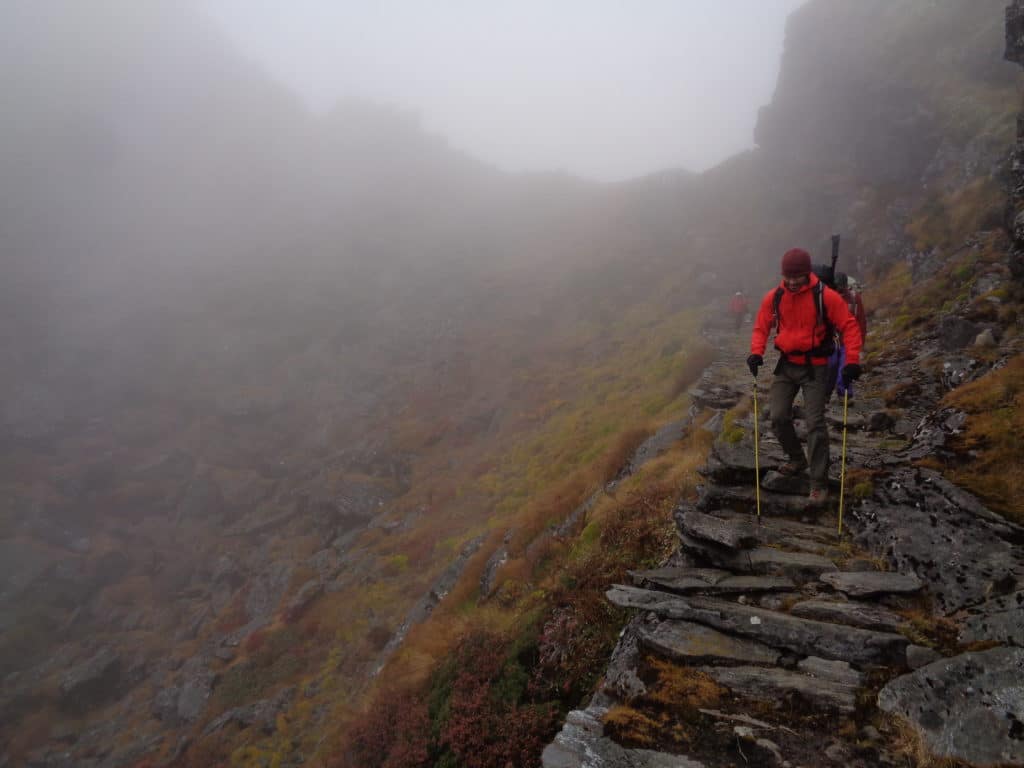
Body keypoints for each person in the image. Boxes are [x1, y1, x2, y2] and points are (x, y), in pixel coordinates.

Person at [746, 248, 864, 504]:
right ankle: (797, 459)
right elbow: (761, 326)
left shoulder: (826, 296)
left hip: (816, 366)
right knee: (777, 417)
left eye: (796, 277)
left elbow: (849, 326)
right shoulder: (775, 296)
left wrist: (851, 360)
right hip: (786, 364)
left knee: (815, 424)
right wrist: (756, 353)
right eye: (787, 276)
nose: (791, 282)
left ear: (807, 273)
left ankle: (819, 483)